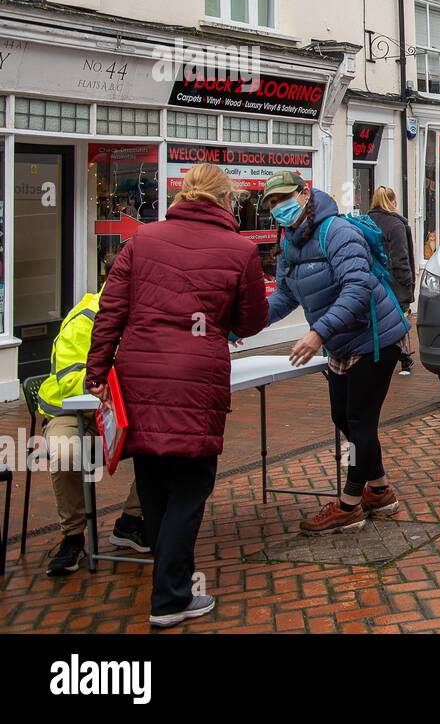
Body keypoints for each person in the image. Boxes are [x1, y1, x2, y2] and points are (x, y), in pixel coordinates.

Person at [85, 163, 267, 628]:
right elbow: (250, 322)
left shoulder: (142, 240)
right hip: (196, 380)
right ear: (225, 200)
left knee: (154, 486)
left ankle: (169, 589)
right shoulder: (240, 250)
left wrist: (97, 373)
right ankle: (170, 598)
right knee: (190, 488)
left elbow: (110, 310)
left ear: (184, 195)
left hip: (140, 377)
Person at [264, 171, 409, 533]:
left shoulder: (338, 233)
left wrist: (317, 333)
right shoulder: (289, 242)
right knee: (343, 418)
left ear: (304, 193)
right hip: (341, 343)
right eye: (271, 203)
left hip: (375, 339)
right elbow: (284, 296)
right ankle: (379, 491)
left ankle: (348, 505)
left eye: (283, 198)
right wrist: (240, 325)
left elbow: (357, 289)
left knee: (360, 423)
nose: (277, 207)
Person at [38, 288, 149, 577]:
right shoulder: (85, 317)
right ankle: (73, 537)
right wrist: (106, 383)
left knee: (166, 441)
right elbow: (69, 378)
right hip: (73, 414)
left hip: (119, 413)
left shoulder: (143, 314)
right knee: (65, 453)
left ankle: (130, 521)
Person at [369, 186, 417, 375]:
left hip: (374, 281)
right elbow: (400, 258)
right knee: (399, 320)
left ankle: (377, 356)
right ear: (393, 202)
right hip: (394, 283)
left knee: (378, 319)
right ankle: (404, 357)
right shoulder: (396, 225)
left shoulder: (366, 221)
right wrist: (408, 283)